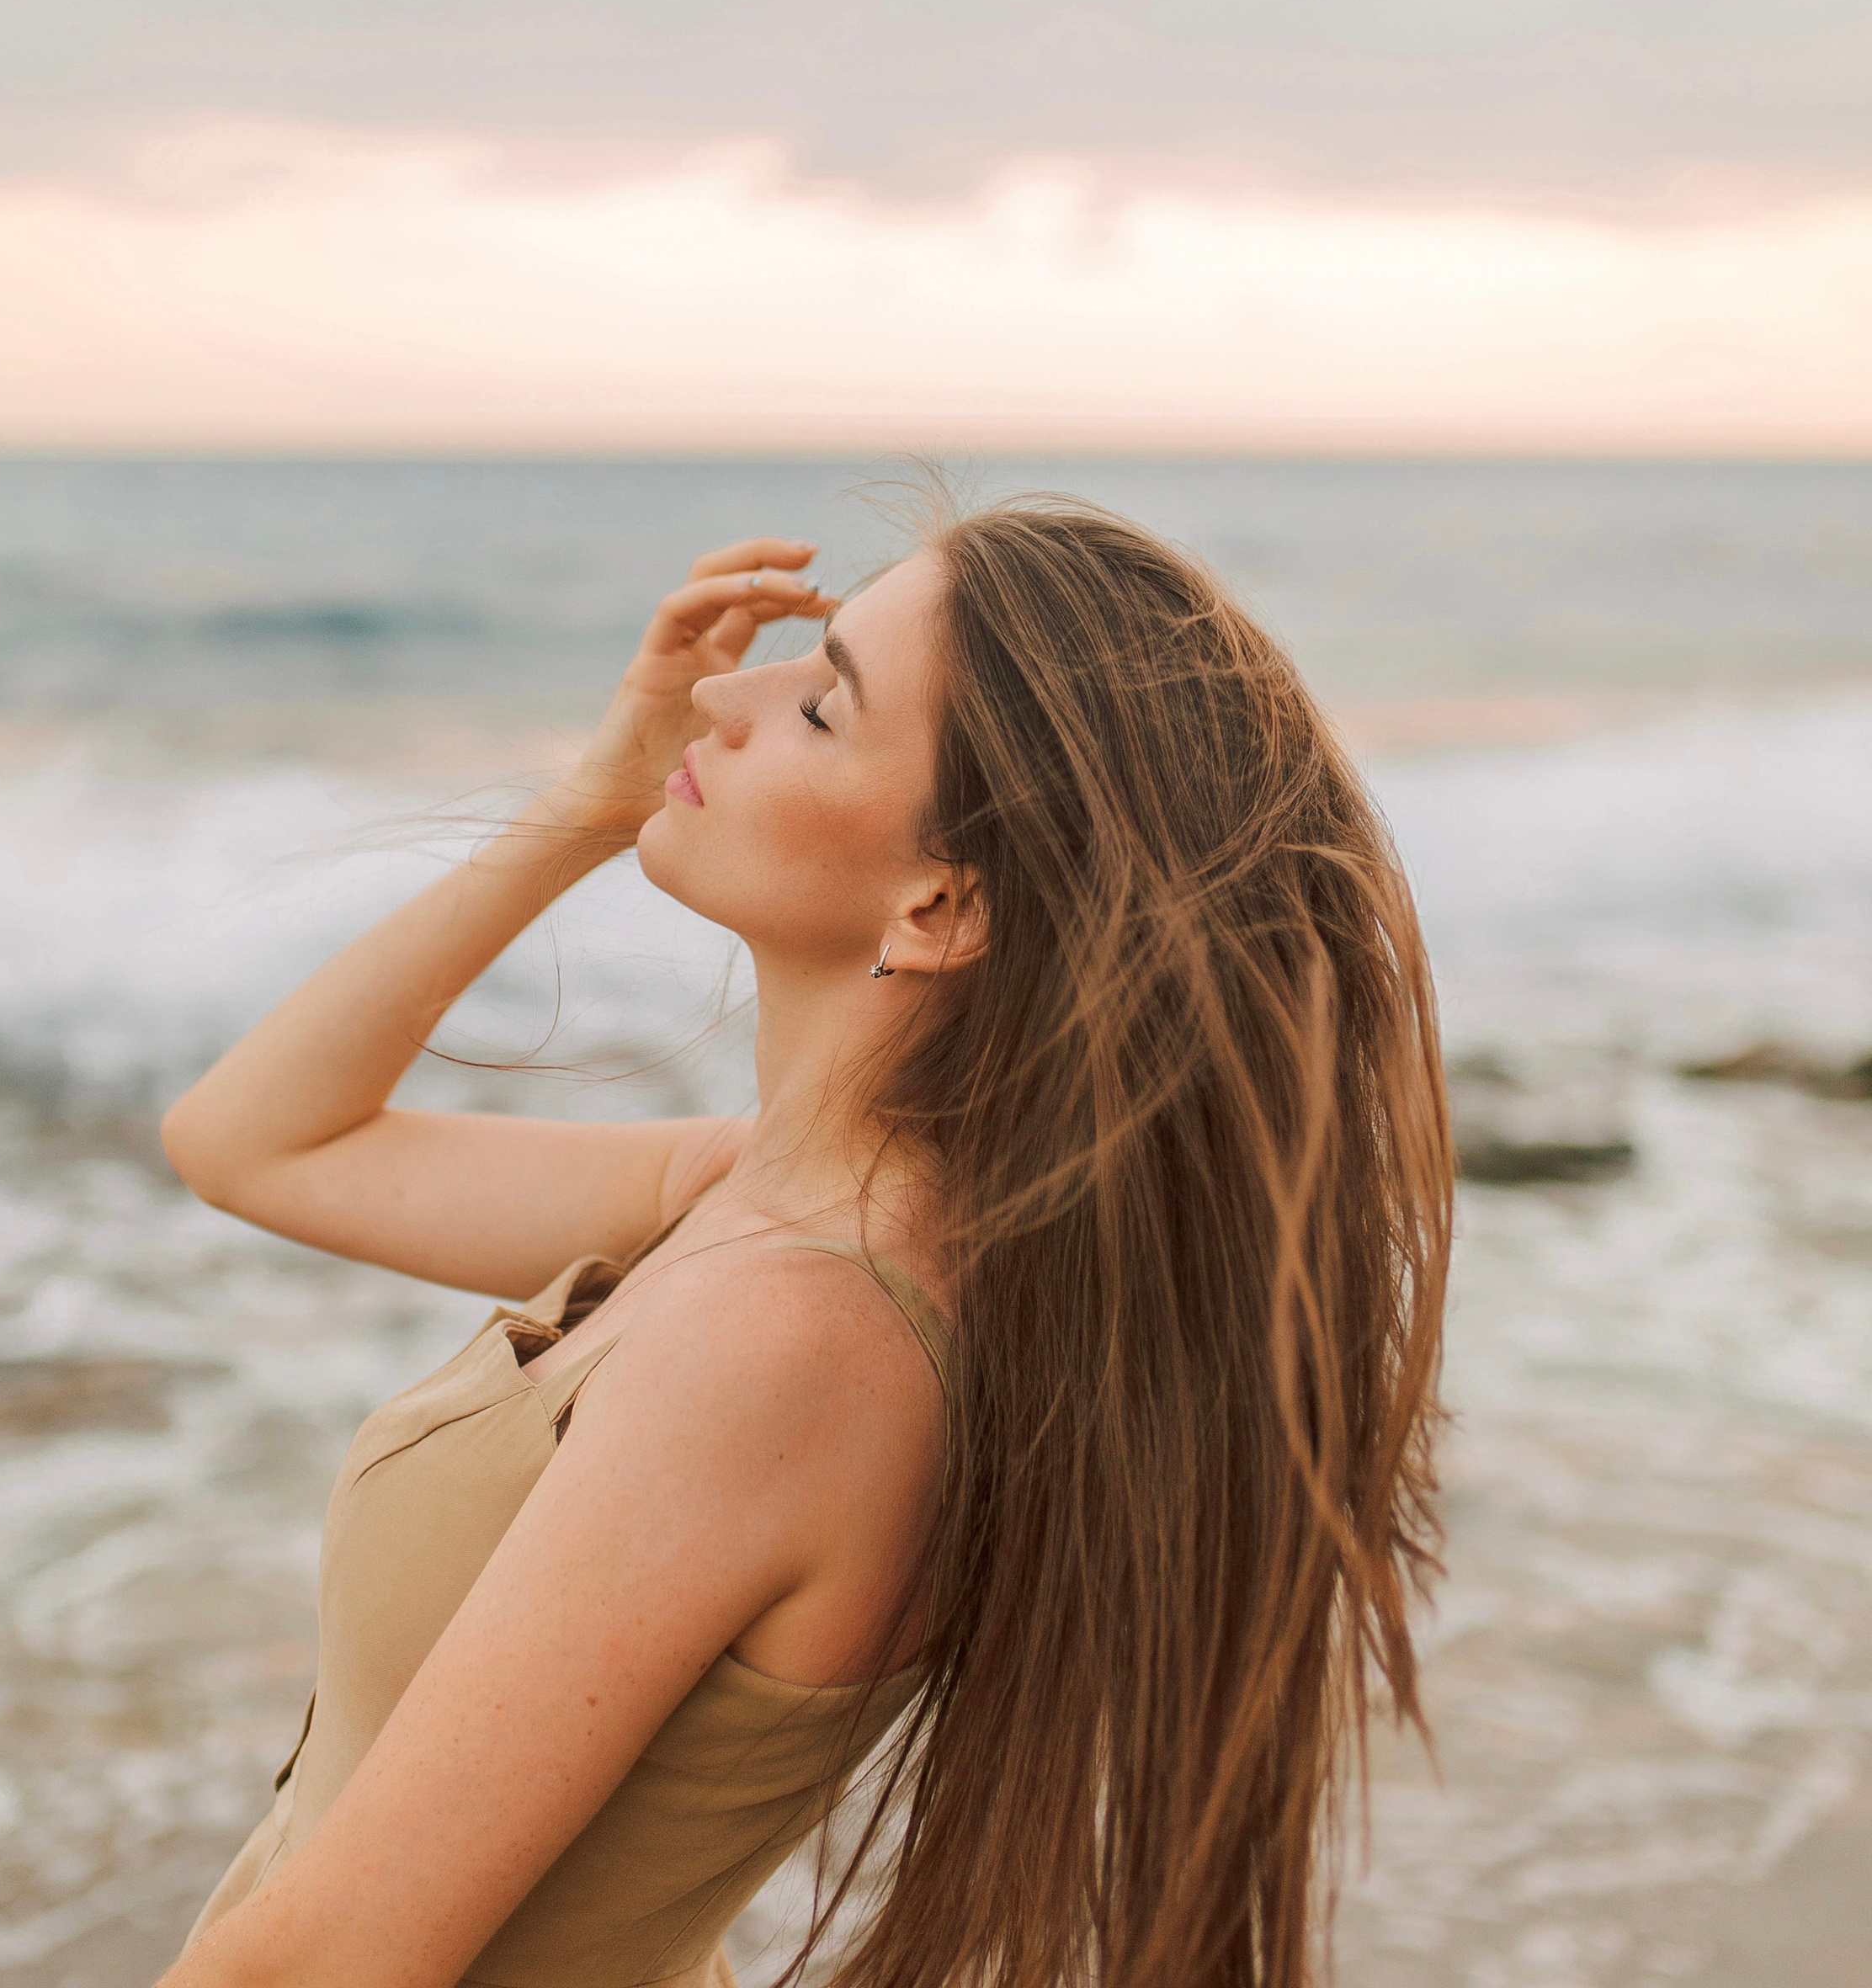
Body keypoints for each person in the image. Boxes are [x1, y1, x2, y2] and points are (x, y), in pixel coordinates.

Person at [153, 496, 1454, 1988]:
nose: (721, 691)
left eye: (824, 701)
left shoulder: (794, 1335)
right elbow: (252, 1143)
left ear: (942, 903)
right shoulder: (764, 1202)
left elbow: (325, 1969)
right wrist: (591, 799)